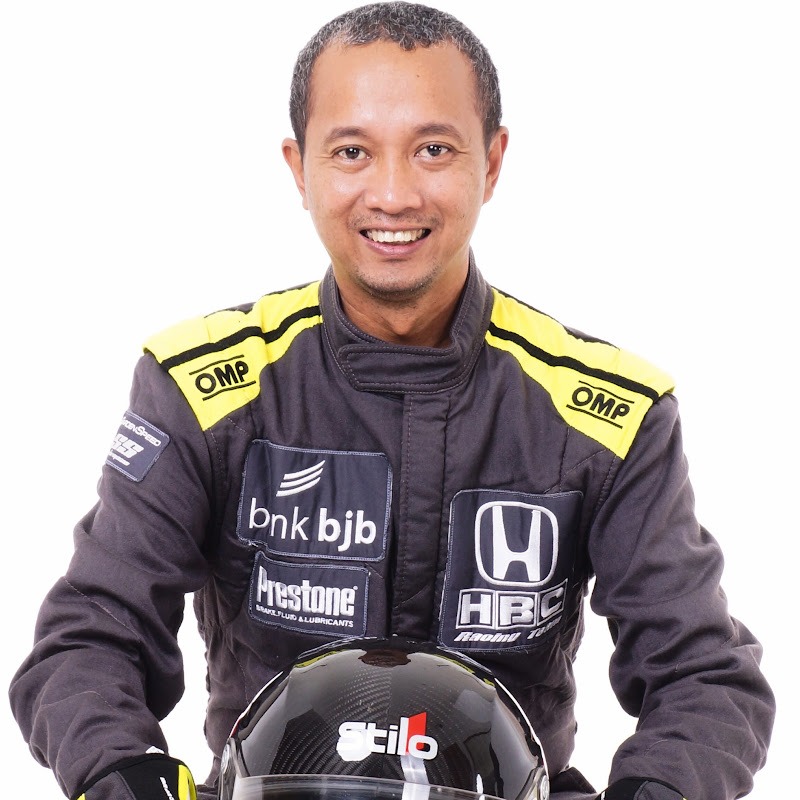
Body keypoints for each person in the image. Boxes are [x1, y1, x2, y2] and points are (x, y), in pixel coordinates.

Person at [9, 4, 774, 800]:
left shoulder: (609, 416)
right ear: (299, 168)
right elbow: (87, 642)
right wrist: (125, 779)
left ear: (492, 162)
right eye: (352, 152)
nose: (394, 193)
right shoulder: (202, 391)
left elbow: (706, 678)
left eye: (434, 149)